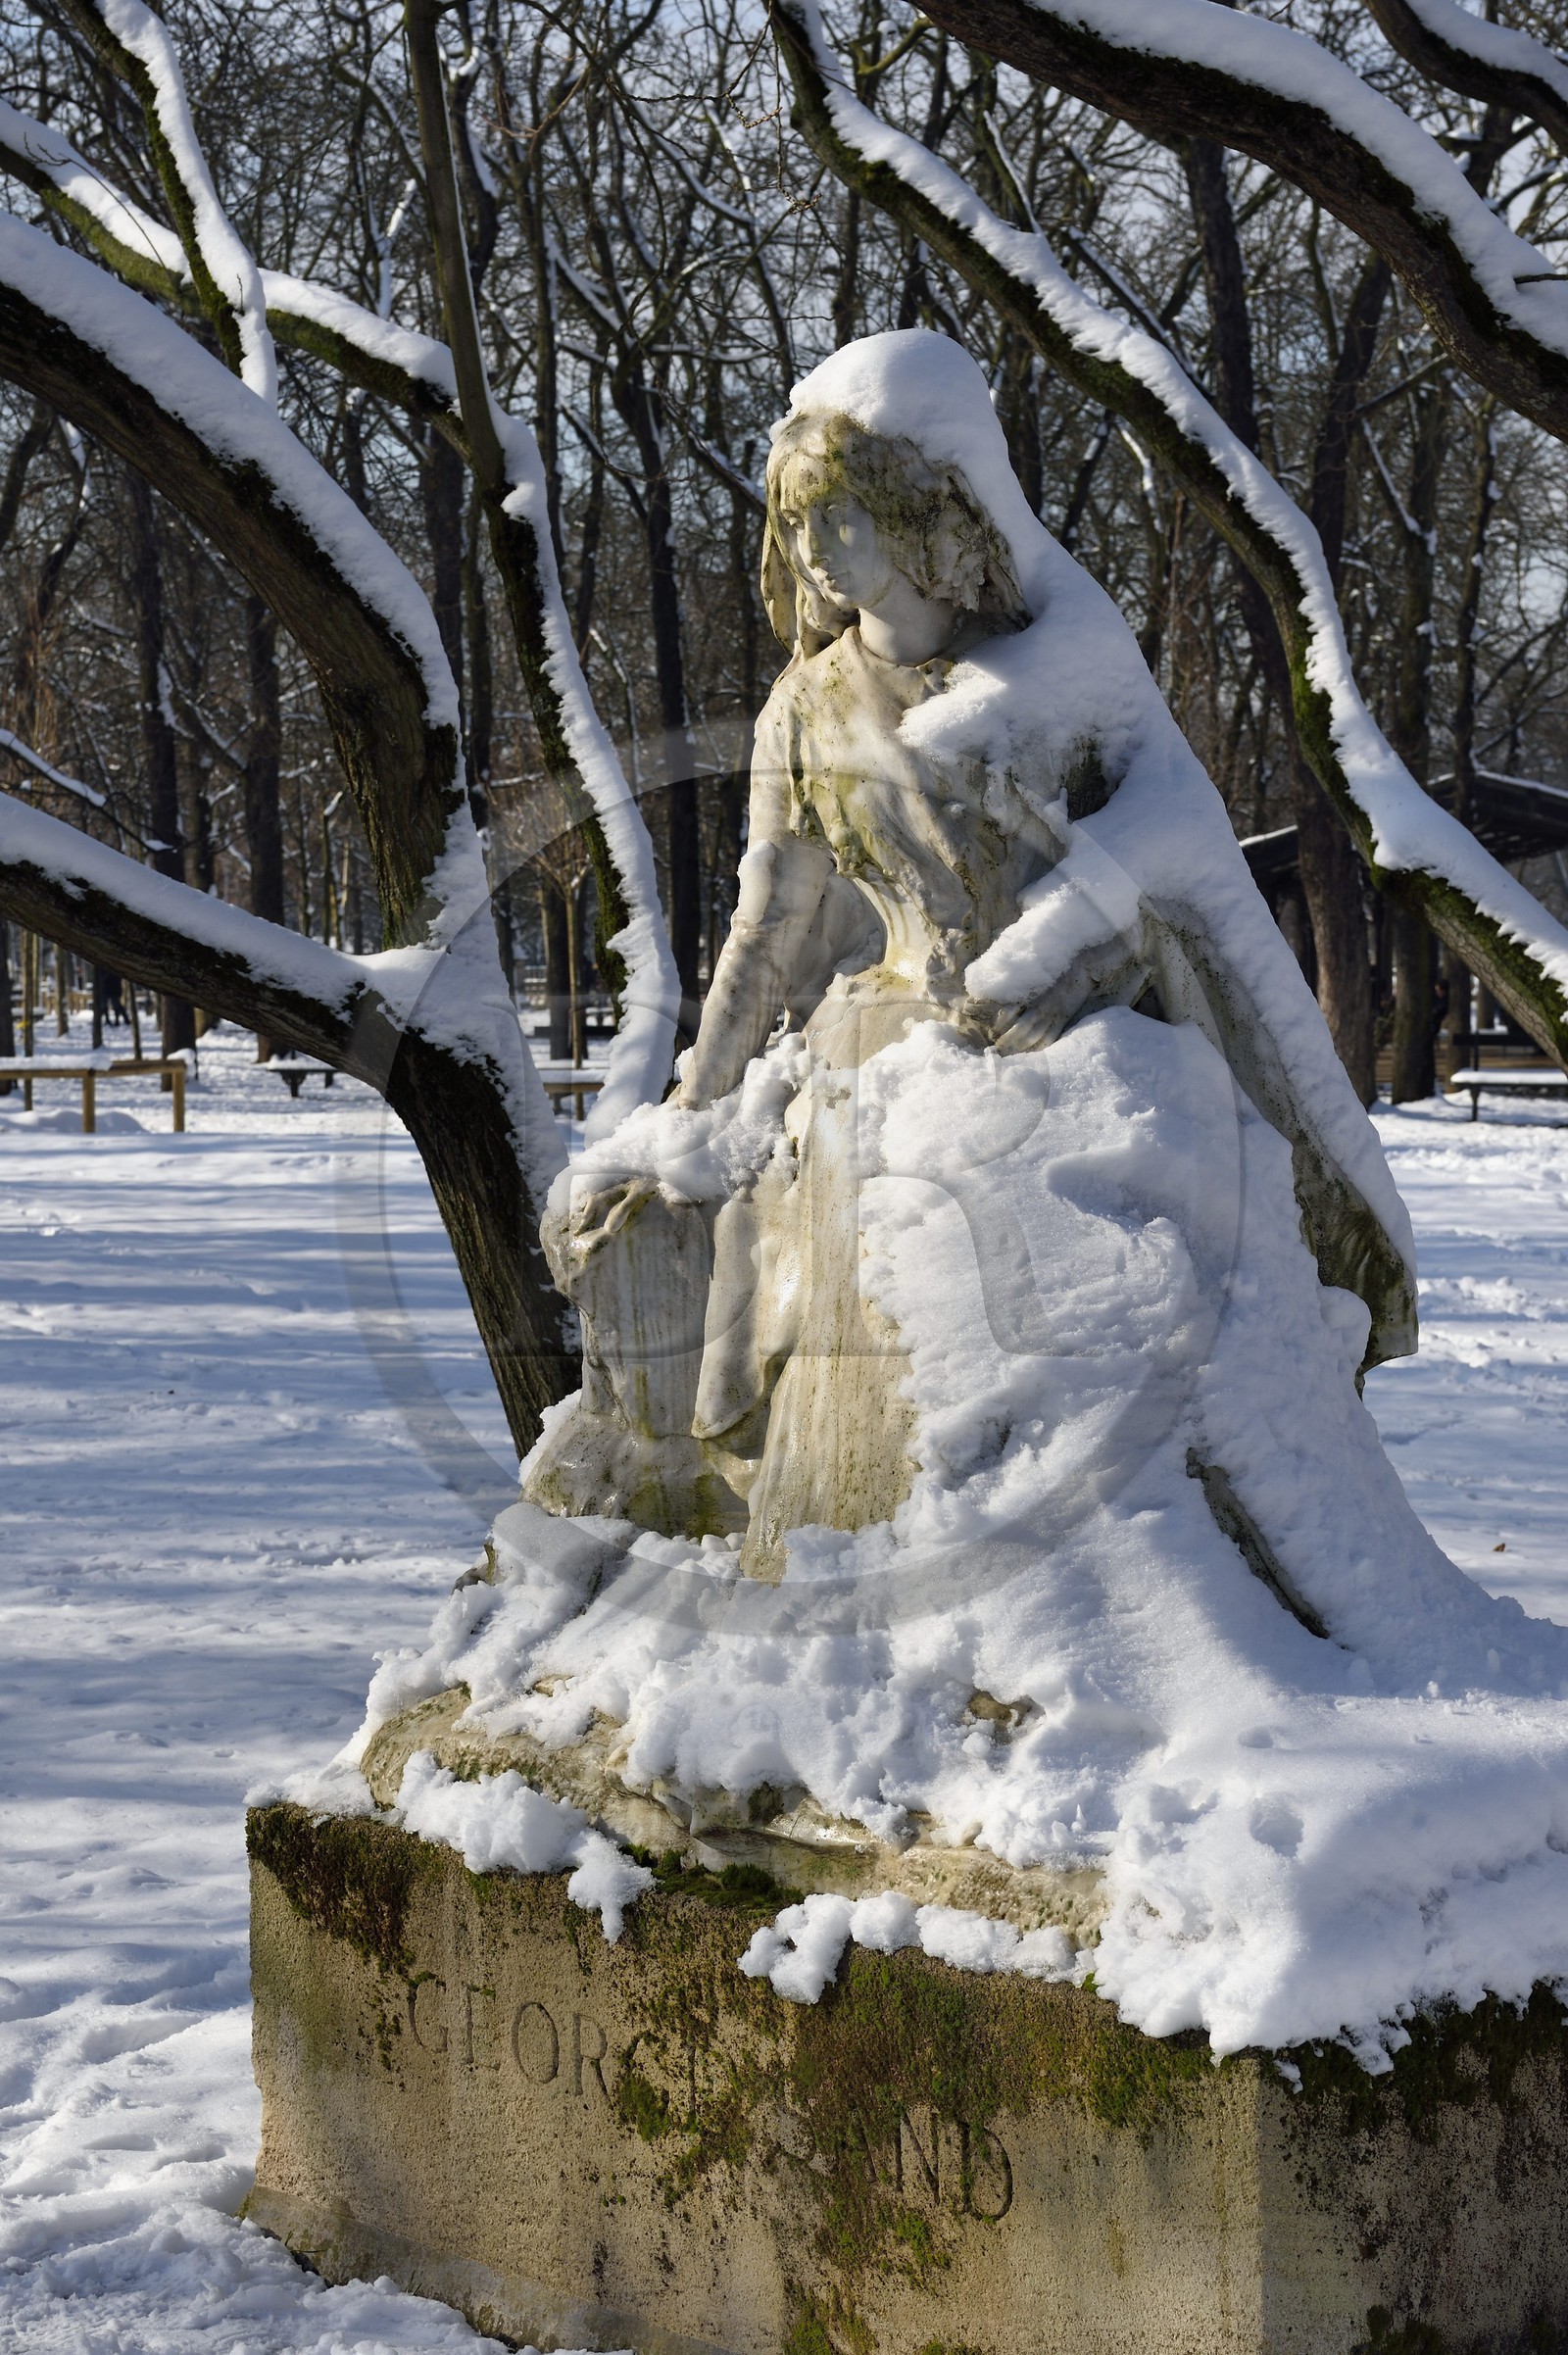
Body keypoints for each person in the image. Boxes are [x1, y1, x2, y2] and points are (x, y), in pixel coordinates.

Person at [528, 330, 1416, 1585]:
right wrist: (696, 1092)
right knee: (846, 1233)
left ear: (916, 507)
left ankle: (1128, 1588)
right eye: (795, 527)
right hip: (884, 1039)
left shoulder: (1058, 671)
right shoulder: (806, 706)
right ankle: (859, 1570)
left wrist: (1056, 950)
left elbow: (1171, 859)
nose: (813, 552)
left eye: (833, 516)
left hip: (1072, 1033)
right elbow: (769, 924)